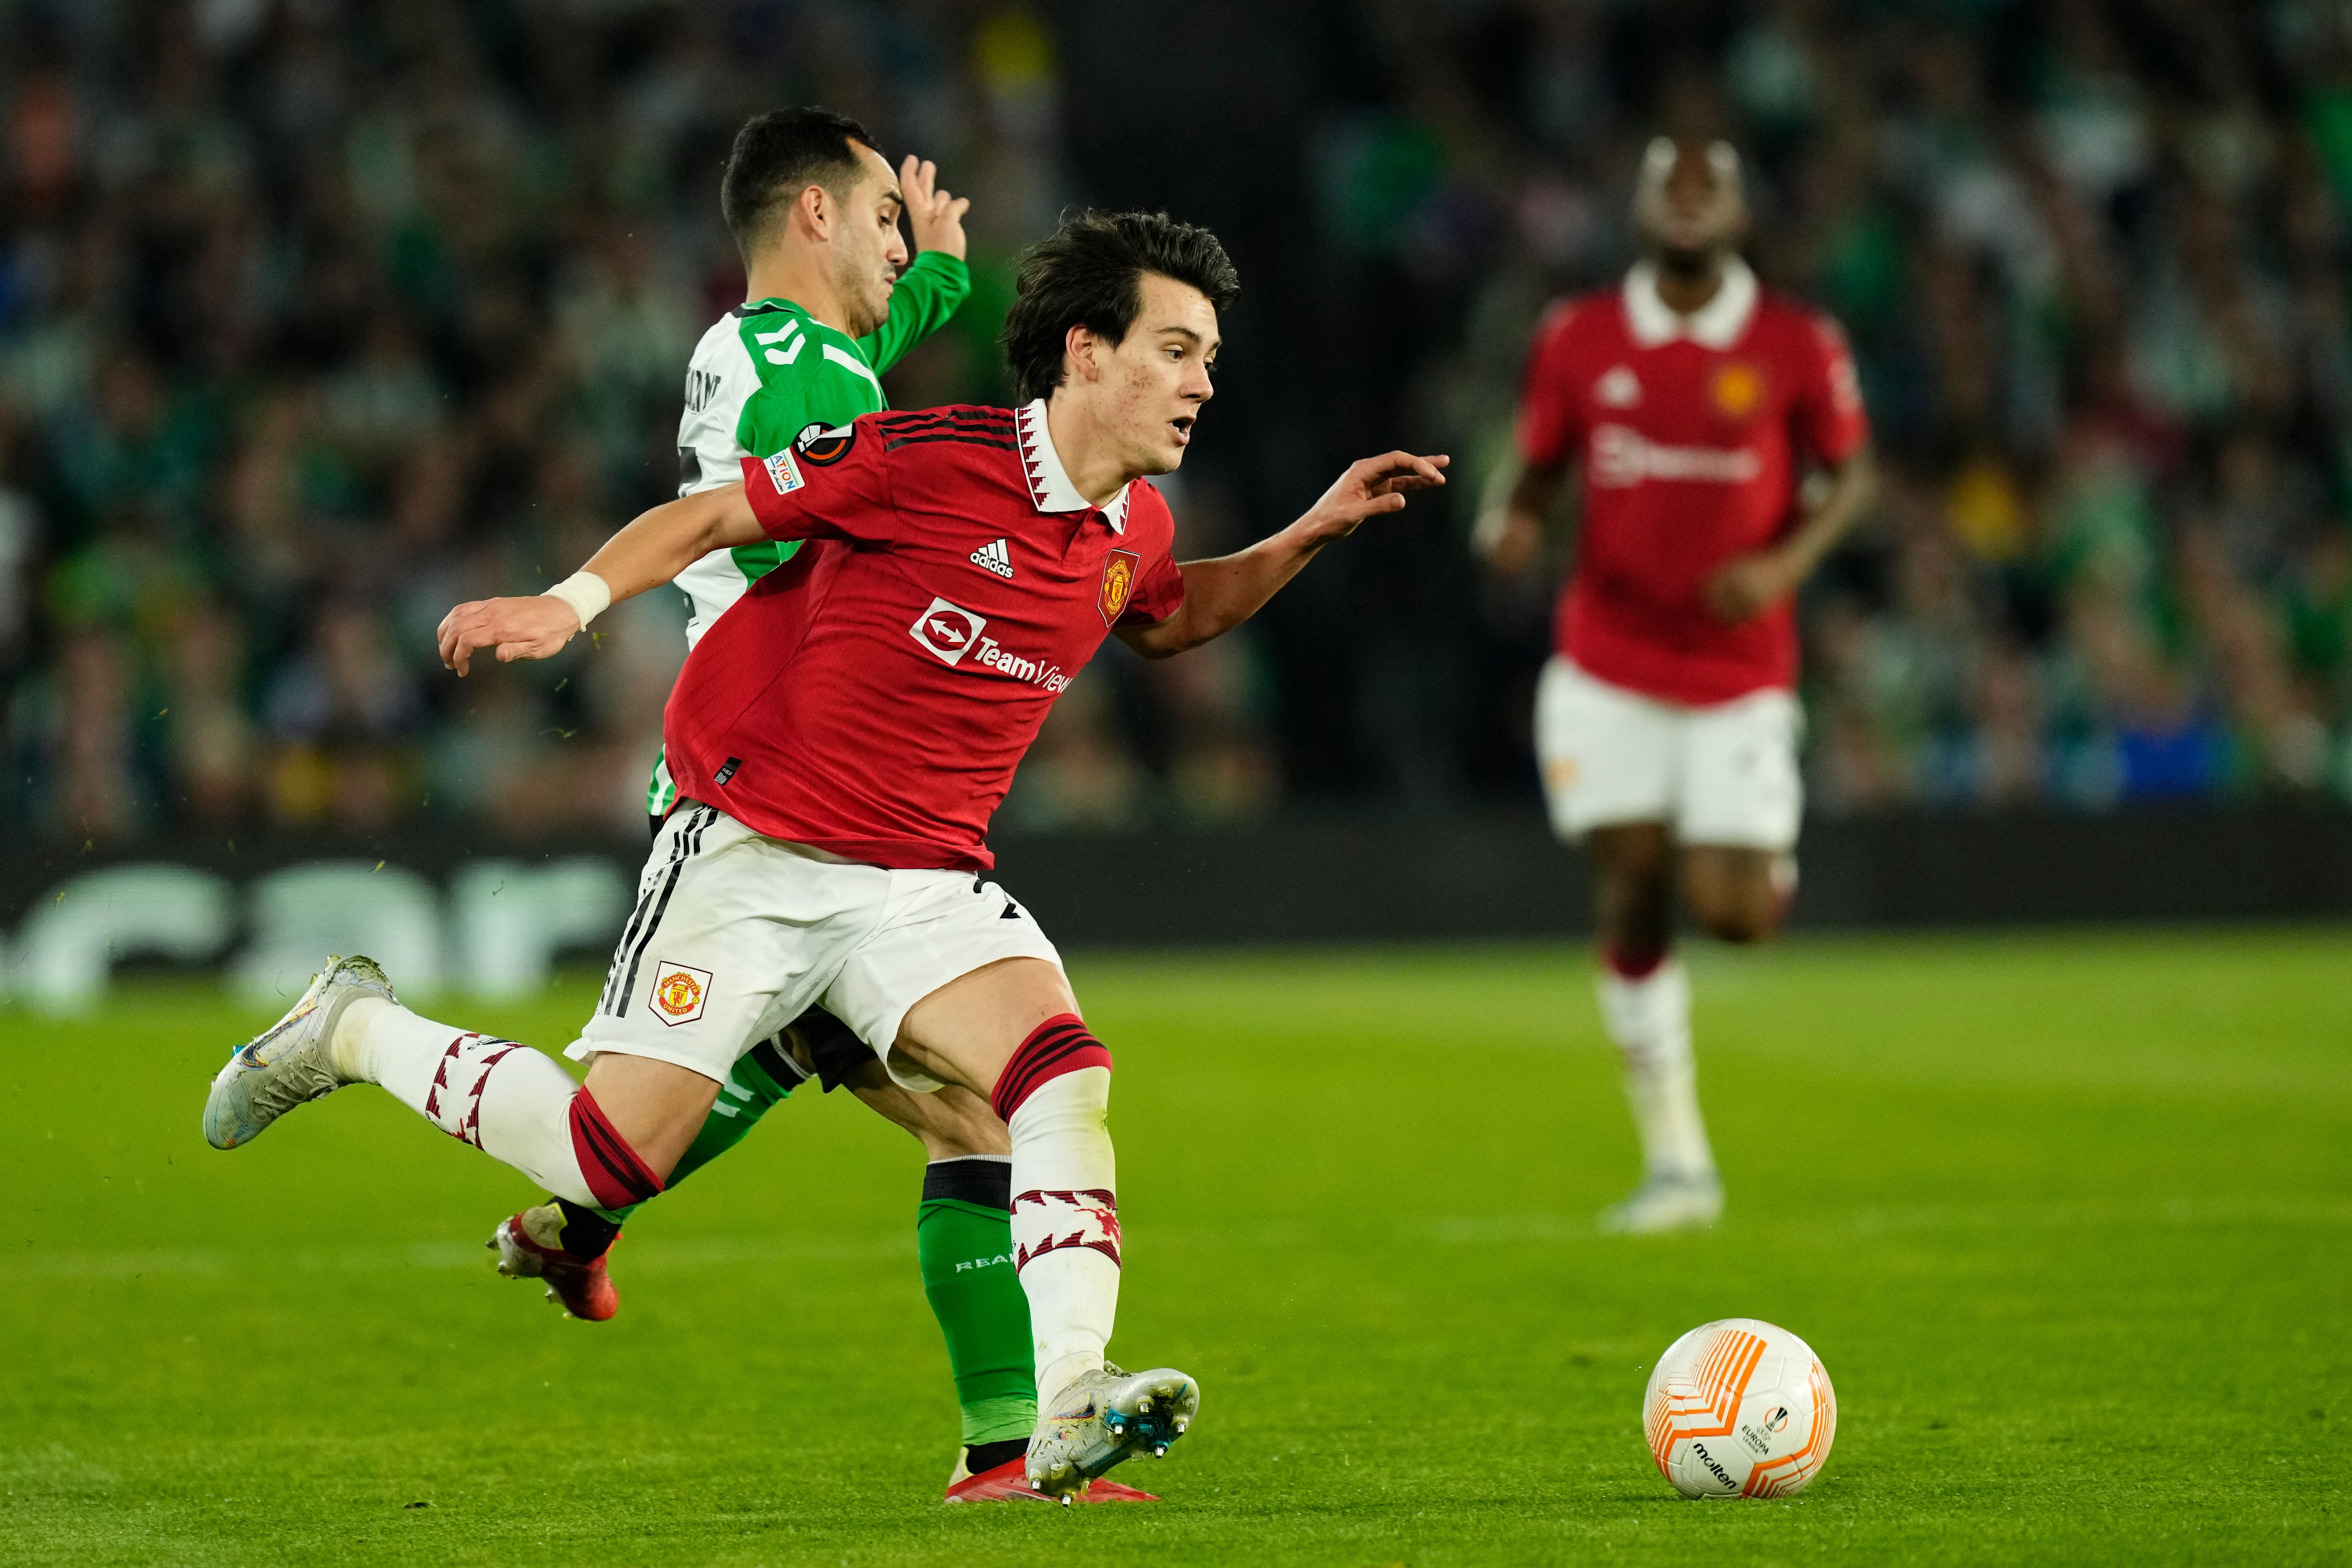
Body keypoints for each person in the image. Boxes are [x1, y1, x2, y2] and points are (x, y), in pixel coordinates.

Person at [204, 208, 1448, 1501]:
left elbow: (1171, 613)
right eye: (1177, 348)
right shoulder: (927, 458)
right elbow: (706, 521)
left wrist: (1310, 530)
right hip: (754, 847)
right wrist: (562, 605)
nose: (1203, 381)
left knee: (1054, 1078)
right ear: (1086, 354)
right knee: (606, 1157)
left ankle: (1069, 1399)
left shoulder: (1128, 527)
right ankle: (350, 1030)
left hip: (924, 882)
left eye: (1208, 356)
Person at [459, 104, 1076, 1504]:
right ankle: (421, 1083)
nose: (893, 247)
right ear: (811, 217)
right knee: (915, 1108)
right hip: (775, 785)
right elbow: (851, 472)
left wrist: (939, 273)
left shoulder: (796, 348)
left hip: (820, 778)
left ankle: (995, 1454)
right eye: (876, 221)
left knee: (938, 1108)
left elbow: (868, 355)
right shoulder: (789, 366)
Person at [1477, 137, 1874, 1235]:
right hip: (1606, 655)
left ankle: (1760, 852)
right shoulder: (1579, 335)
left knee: (1733, 914)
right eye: (1671, 188)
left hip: (1740, 667)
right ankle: (1677, 1167)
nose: (1690, 204)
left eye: (1711, 189)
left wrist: (1784, 564)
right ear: (1641, 208)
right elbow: (1538, 463)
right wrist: (1510, 518)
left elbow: (1851, 474)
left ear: (1741, 213)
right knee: (1630, 885)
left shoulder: (1796, 343)